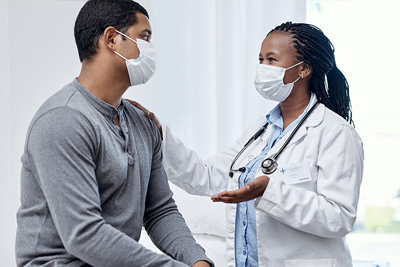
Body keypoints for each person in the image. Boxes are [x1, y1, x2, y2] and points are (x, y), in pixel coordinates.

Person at [130, 22, 364, 267]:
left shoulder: (335, 132)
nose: (262, 68)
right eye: (260, 59)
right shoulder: (261, 130)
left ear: (303, 69)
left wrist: (270, 192)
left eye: (272, 60)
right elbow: (208, 176)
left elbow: (339, 217)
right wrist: (159, 135)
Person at [15, 1, 213, 267]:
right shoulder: (63, 119)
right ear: (112, 39)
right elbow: (84, 235)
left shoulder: (143, 123)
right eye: (144, 37)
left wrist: (199, 262)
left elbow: (159, 210)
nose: (151, 48)